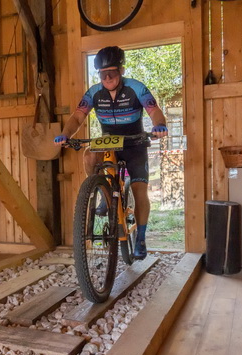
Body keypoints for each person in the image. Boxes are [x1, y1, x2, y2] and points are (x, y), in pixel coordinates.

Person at [54, 46, 168, 260]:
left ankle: (141, 237)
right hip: (109, 141)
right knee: (89, 155)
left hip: (134, 142)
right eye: (102, 74)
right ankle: (101, 190)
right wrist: (65, 134)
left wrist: (159, 125)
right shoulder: (94, 93)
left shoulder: (136, 88)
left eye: (112, 73)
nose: (107, 78)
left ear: (121, 70)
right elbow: (77, 117)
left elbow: (154, 111)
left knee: (139, 189)